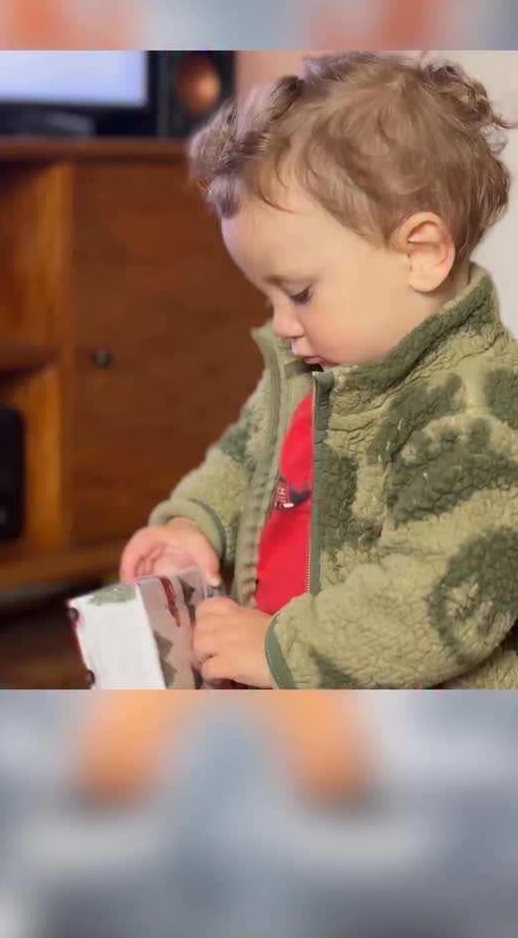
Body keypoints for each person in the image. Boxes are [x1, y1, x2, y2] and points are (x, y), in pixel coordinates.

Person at [120, 50, 518, 689]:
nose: (282, 324)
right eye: (269, 298)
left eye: (300, 293)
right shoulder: (312, 362)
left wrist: (278, 649)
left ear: (420, 254)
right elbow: (244, 458)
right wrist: (193, 524)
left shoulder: (475, 413)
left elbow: (433, 605)